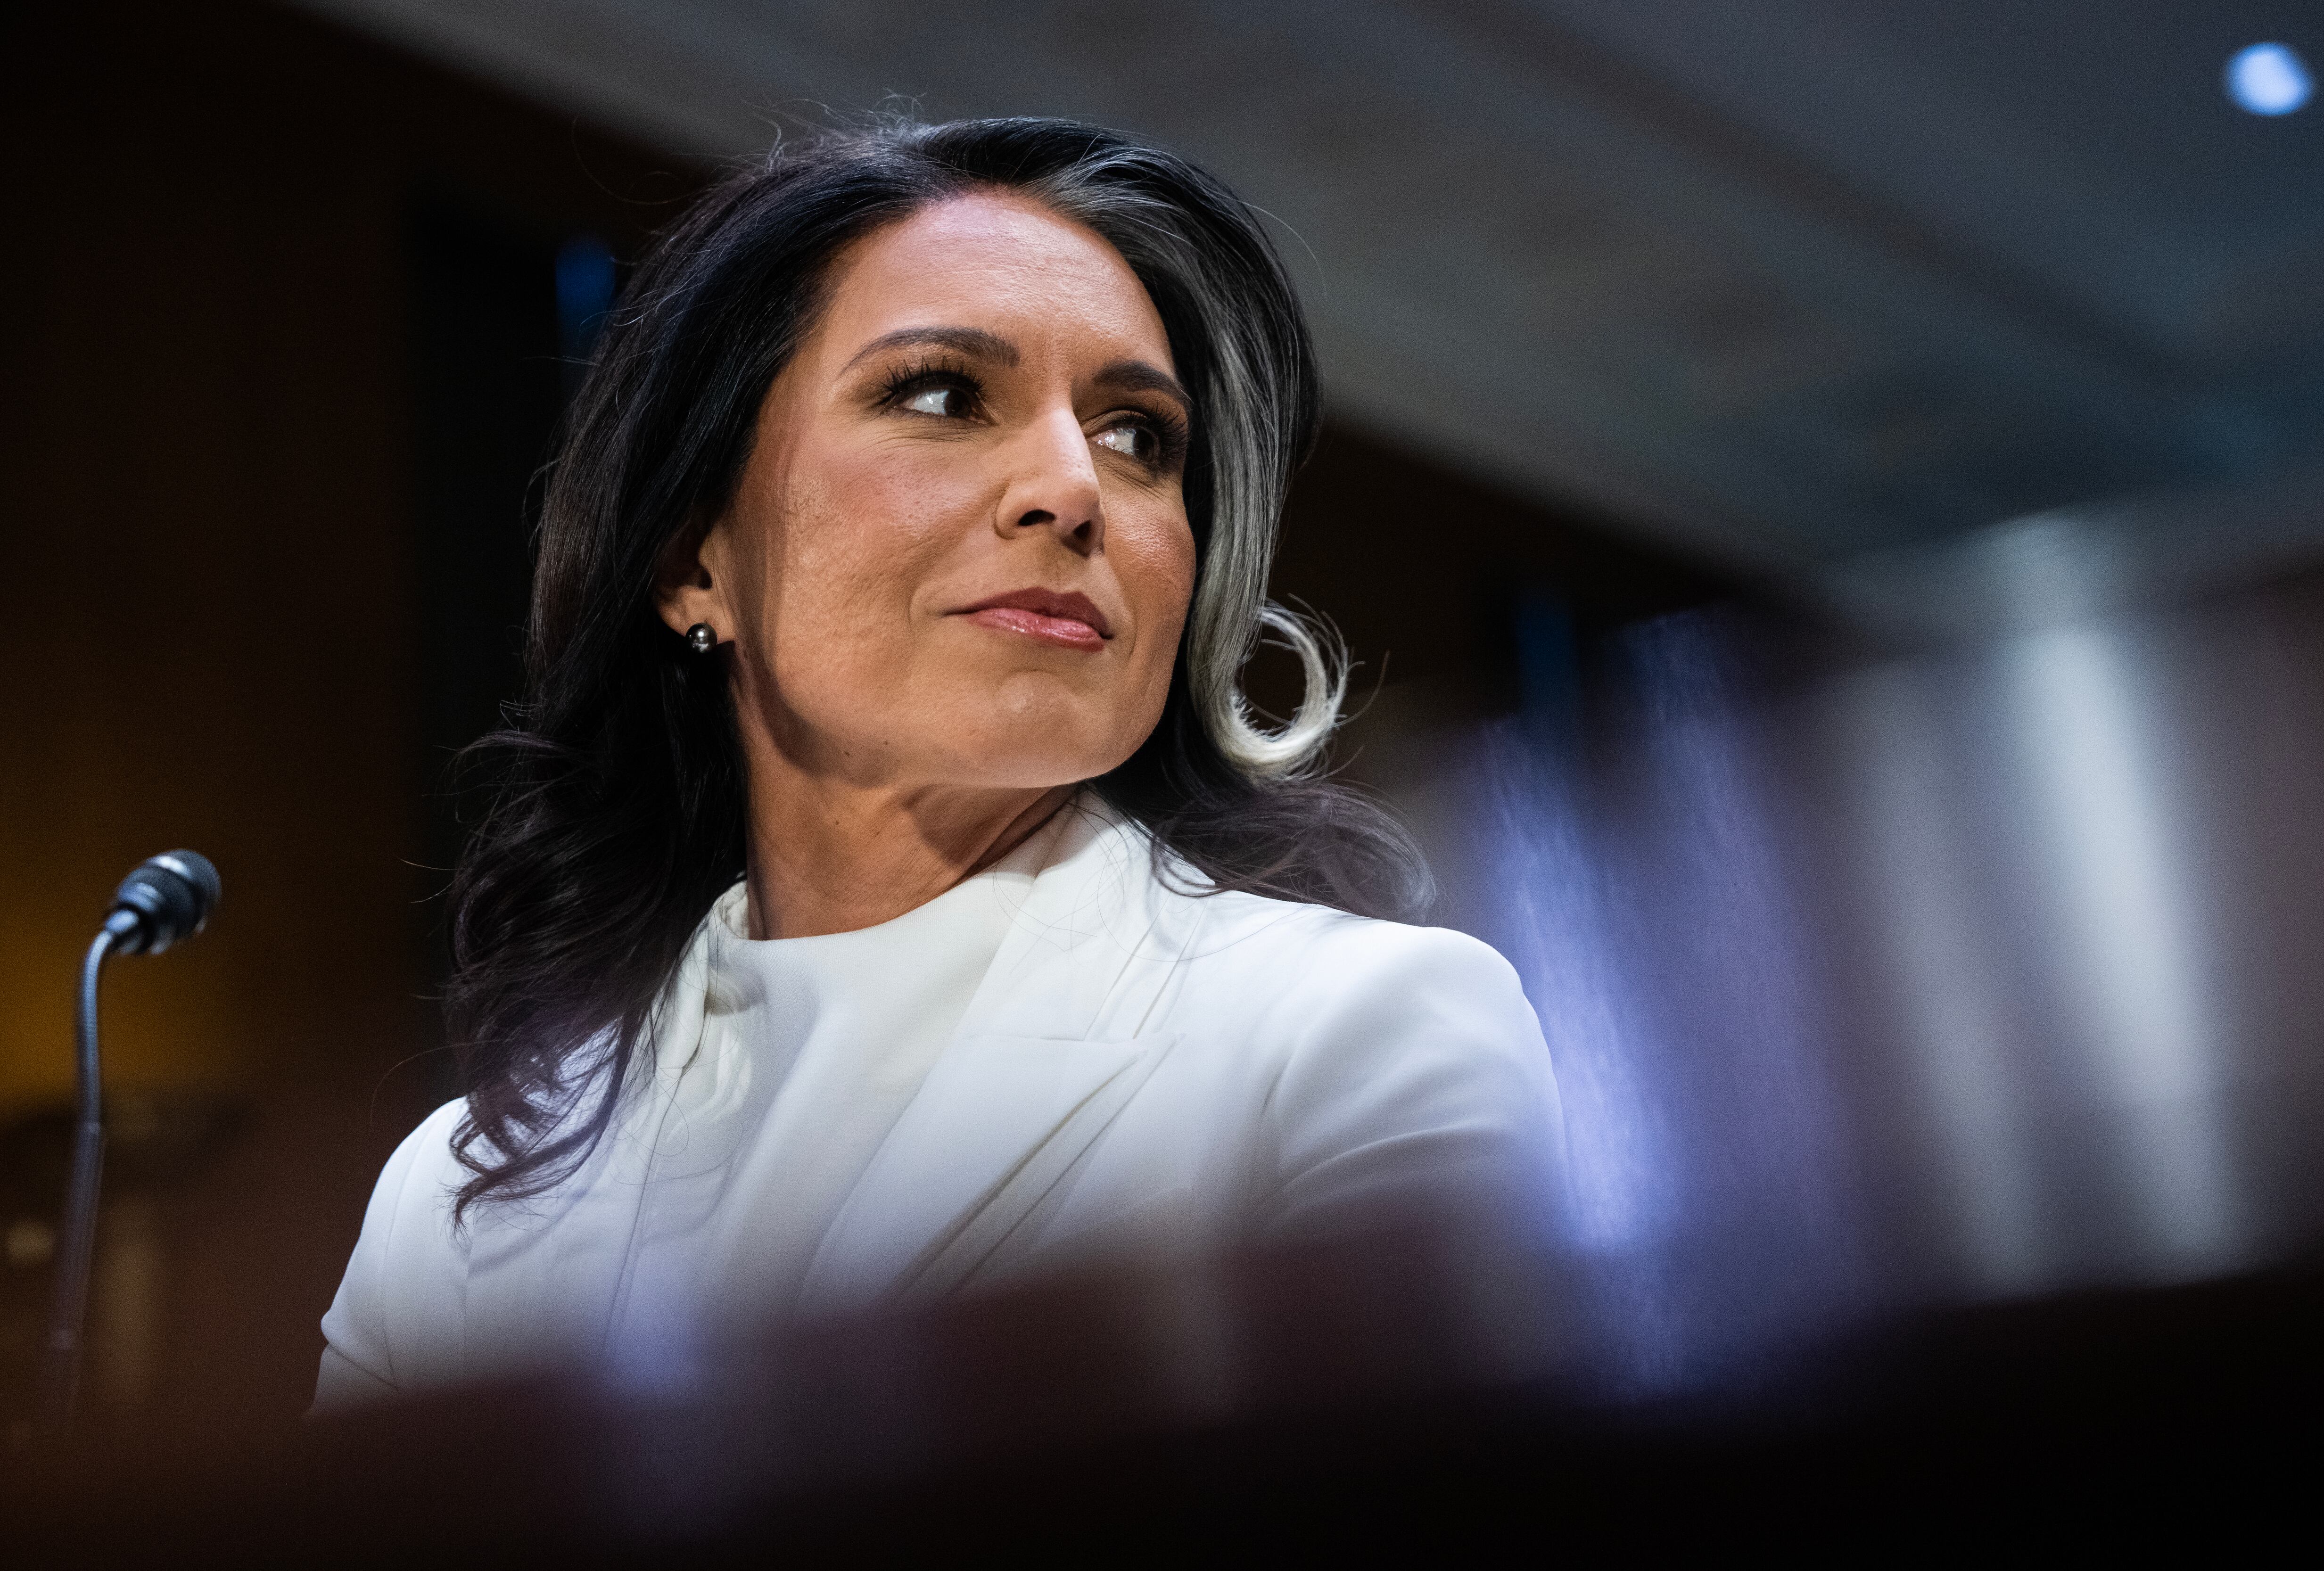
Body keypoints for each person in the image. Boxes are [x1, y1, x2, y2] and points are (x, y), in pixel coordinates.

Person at [317, 117, 1572, 1409]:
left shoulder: (1358, 1034)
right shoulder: (450, 1202)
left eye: (1141, 434)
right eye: (942, 394)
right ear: (697, 560)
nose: (1073, 488)